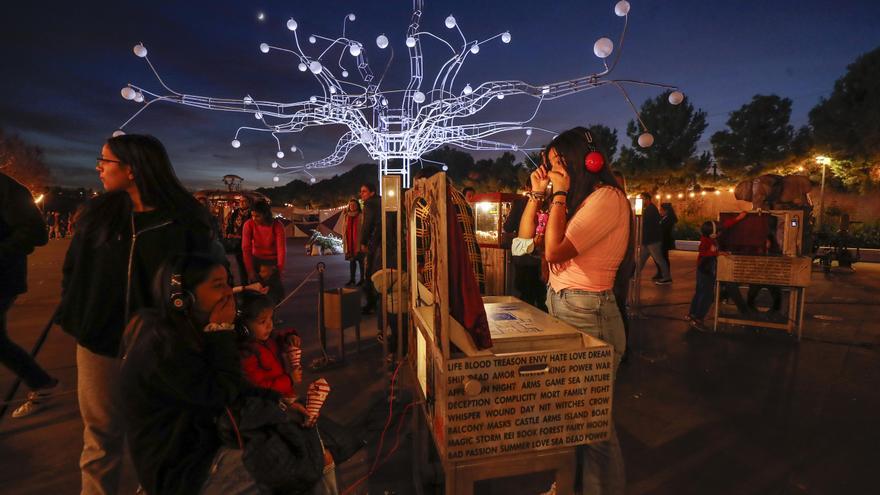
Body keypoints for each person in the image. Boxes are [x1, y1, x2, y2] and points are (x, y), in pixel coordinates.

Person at [59, 133, 216, 495]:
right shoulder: (97, 218)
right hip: (100, 344)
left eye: (105, 161)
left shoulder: (185, 223)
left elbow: (207, 282)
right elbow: (73, 272)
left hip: (163, 349)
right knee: (100, 440)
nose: (98, 167)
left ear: (132, 170)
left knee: (162, 438)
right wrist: (79, 315)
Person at [516, 127, 633, 495]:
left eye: (557, 165)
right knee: (570, 417)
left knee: (595, 423)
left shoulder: (607, 198)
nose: (552, 173)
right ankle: (569, 484)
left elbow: (553, 252)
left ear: (584, 161)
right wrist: (538, 196)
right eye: (549, 167)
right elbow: (521, 244)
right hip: (562, 305)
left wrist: (560, 195)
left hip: (589, 312)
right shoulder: (576, 203)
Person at [235, 291, 344, 494]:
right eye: (262, 321)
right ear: (243, 325)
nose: (270, 325)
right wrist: (289, 379)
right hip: (275, 411)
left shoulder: (266, 340)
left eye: (271, 319)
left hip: (287, 402)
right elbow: (260, 386)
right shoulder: (247, 354)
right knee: (317, 458)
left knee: (320, 452)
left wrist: (291, 337)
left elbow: (281, 334)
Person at [0, 171, 59, 419]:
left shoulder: (8, 189)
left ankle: (41, 383)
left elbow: (37, 232)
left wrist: (2, 252)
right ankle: (41, 382)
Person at [686, 211, 748, 331]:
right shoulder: (705, 240)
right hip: (706, 270)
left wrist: (739, 218)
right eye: (718, 232)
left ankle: (692, 314)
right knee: (707, 295)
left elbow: (725, 225)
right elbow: (703, 252)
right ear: (713, 234)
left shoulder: (709, 236)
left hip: (704, 269)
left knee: (700, 292)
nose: (721, 233)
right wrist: (718, 252)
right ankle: (698, 319)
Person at [242, 201, 286, 305]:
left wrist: (279, 270)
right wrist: (250, 271)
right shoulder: (249, 224)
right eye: (252, 215)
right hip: (256, 260)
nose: (254, 218)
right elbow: (246, 248)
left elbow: (281, 249)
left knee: (273, 293)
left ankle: (272, 317)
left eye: (257, 216)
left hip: (272, 262)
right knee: (257, 293)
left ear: (266, 214)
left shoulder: (277, 226)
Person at [637, 192, 672, 285]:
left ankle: (667, 277)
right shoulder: (649, 209)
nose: (641, 200)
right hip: (648, 240)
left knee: (659, 259)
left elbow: (645, 223)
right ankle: (634, 275)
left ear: (647, 199)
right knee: (641, 259)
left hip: (652, 240)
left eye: (642, 198)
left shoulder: (650, 209)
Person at [358, 183, 381, 314]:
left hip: (373, 242)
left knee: (369, 273)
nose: (361, 194)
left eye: (364, 191)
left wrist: (363, 242)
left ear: (372, 192)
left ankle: (370, 304)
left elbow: (367, 224)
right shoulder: (381, 201)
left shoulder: (369, 204)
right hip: (383, 242)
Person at [225, 195, 252, 285]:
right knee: (241, 266)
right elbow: (230, 224)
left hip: (248, 243)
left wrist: (241, 236)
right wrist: (229, 232)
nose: (241, 202)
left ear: (249, 202)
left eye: (244, 201)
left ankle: (254, 286)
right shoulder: (235, 213)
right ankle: (245, 287)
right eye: (240, 201)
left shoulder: (251, 214)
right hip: (237, 244)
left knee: (250, 266)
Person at [342, 198, 364, 286]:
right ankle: (352, 279)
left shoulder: (361, 215)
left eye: (354, 205)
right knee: (352, 261)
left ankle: (362, 279)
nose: (352, 206)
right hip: (349, 241)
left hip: (358, 241)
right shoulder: (346, 216)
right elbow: (343, 228)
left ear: (357, 206)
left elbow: (363, 228)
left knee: (361, 261)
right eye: (350, 205)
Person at [654, 203, 678, 281]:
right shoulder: (663, 218)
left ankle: (665, 274)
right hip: (661, 240)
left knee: (664, 258)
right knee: (660, 258)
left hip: (665, 241)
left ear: (666, 211)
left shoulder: (669, 219)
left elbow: (666, 231)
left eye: (661, 210)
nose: (660, 211)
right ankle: (661, 273)